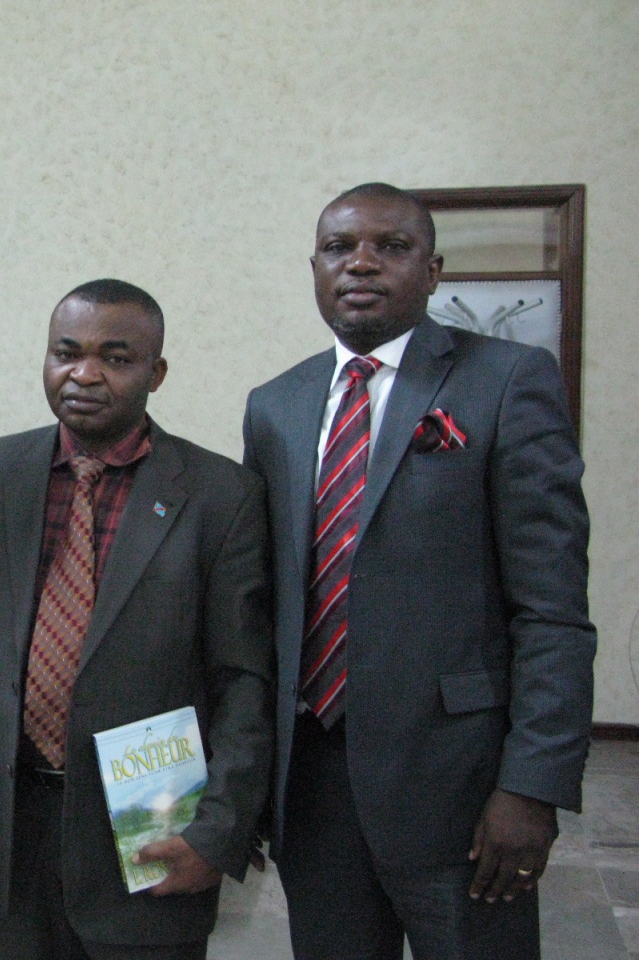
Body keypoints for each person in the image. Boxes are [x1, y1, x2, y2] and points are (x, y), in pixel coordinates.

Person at [242, 182, 596, 959]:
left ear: (433, 272)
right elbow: (266, 600)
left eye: (391, 247)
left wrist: (532, 785)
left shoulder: (507, 380)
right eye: (339, 248)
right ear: (314, 268)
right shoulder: (275, 406)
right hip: (313, 783)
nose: (361, 263)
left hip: (461, 787)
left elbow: (553, 609)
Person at [0, 279, 274, 960]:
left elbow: (244, 682)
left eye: (115, 358)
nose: (84, 374)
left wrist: (218, 831)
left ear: (156, 373)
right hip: (14, 822)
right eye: (67, 352)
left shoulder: (221, 496)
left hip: (150, 822)